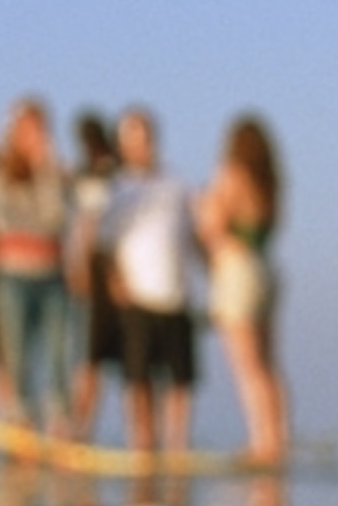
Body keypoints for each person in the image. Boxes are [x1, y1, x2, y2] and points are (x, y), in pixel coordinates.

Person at [103, 107, 199, 462]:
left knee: (179, 380)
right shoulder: (118, 188)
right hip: (138, 297)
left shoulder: (177, 184)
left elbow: (195, 236)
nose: (138, 146)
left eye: (143, 137)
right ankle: (142, 446)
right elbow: (106, 243)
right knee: (138, 378)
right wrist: (116, 281)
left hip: (176, 295)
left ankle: (177, 447)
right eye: (130, 139)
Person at [196, 114, 288, 467]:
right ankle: (277, 437)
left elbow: (211, 225)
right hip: (266, 268)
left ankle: (262, 443)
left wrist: (204, 206)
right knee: (269, 364)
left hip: (237, 269)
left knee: (248, 366)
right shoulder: (271, 184)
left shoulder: (231, 175)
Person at [0, 98, 69, 433]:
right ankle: (23, 424)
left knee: (60, 356)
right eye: (29, 128)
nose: (35, 136)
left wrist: (45, 169)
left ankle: (60, 425)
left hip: (52, 275)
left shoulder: (54, 172)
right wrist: (33, 230)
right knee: (17, 358)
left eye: (40, 129)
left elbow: (56, 217)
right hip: (12, 276)